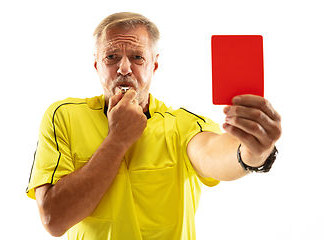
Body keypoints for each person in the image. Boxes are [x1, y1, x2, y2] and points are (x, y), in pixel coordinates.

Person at [26, 12, 282, 240]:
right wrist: (118, 139)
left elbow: (213, 154)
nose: (124, 68)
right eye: (111, 57)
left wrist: (253, 153)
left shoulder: (183, 124)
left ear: (154, 65)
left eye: (137, 57)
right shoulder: (62, 116)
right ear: (97, 65)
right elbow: (53, 219)